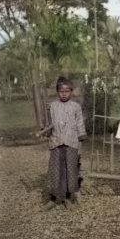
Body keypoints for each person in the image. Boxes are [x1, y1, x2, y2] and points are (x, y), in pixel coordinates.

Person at [40, 77, 86, 210]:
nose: (64, 94)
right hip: (56, 142)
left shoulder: (76, 107)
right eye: (61, 91)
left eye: (67, 91)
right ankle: (54, 198)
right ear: (57, 92)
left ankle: (68, 197)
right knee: (55, 169)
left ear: (71, 92)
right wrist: (45, 129)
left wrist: (81, 135)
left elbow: (79, 123)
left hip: (71, 142)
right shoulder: (52, 106)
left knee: (70, 170)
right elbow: (48, 124)